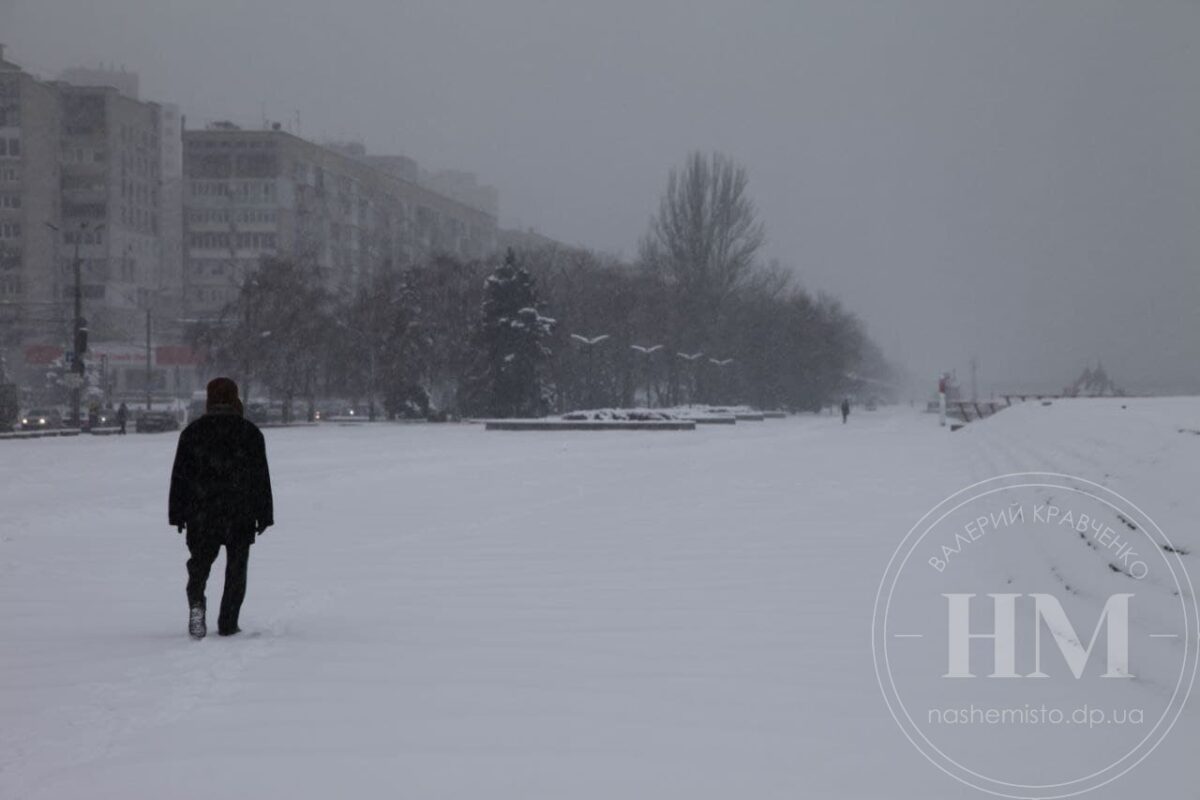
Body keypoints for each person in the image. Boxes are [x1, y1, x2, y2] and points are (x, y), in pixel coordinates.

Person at [169, 377, 273, 639]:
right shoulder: (249, 433)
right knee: (236, 569)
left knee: (200, 564)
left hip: (201, 511)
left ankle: (197, 604)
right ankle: (228, 621)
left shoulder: (192, 433)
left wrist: (178, 514)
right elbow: (260, 478)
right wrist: (264, 515)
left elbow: (180, 476)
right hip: (240, 511)